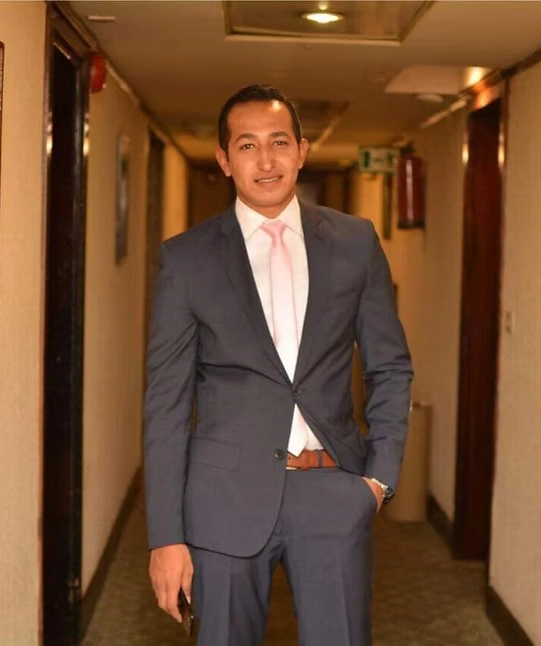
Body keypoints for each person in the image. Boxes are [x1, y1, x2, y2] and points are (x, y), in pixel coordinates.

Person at [144, 84, 413, 646]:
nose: (265, 160)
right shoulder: (186, 258)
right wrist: (165, 536)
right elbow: (166, 404)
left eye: (279, 142)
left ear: (302, 150)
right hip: (222, 501)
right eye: (247, 145)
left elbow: (390, 366)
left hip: (334, 490)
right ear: (224, 160)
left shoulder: (356, 242)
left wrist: (378, 479)